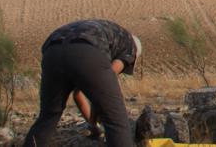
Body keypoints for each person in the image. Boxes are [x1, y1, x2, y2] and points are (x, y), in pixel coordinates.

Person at [23, 19, 142, 147]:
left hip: (52, 50)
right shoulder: (130, 46)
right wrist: (103, 112)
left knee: (48, 116)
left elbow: (78, 94)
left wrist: (92, 124)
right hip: (86, 50)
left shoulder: (110, 33)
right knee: (116, 120)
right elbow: (107, 84)